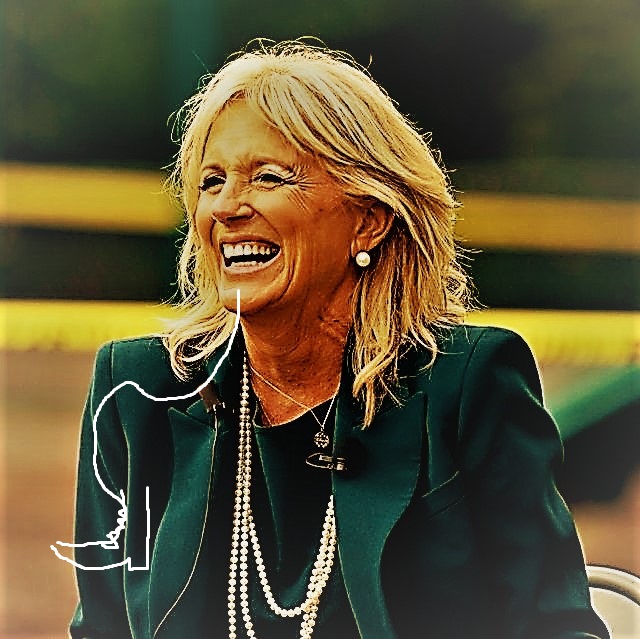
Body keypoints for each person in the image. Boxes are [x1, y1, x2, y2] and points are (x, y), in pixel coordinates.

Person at [68, 40, 609, 638]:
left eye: (268, 177)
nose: (226, 207)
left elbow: (557, 627)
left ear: (368, 220)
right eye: (211, 181)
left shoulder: (469, 384)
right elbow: (101, 629)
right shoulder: (136, 393)